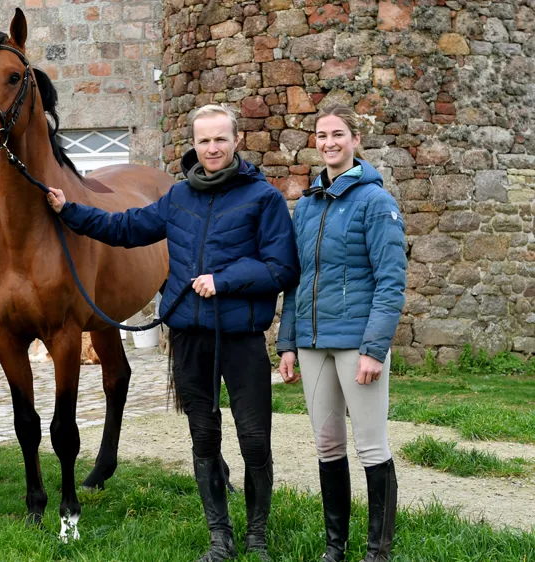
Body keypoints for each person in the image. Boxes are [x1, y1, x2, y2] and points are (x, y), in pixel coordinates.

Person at [46, 104, 299, 562]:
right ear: (195, 145)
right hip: (190, 339)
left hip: (240, 339)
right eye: (204, 141)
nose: (213, 148)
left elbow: (282, 268)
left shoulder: (264, 199)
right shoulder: (179, 198)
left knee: (255, 440)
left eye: (221, 139)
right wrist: (71, 212)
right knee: (203, 438)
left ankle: (257, 539)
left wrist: (225, 280)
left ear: (236, 141)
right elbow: (124, 228)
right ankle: (219, 539)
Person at [276, 104, 407, 562]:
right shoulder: (307, 204)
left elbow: (391, 282)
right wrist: (287, 343)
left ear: (355, 140)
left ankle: (378, 552)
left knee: (371, 444)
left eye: (338, 134)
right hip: (312, 346)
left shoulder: (376, 202)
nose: (328, 142)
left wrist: (374, 348)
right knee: (327, 444)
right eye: (321, 135)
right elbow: (296, 279)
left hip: (357, 345)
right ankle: (335, 548)